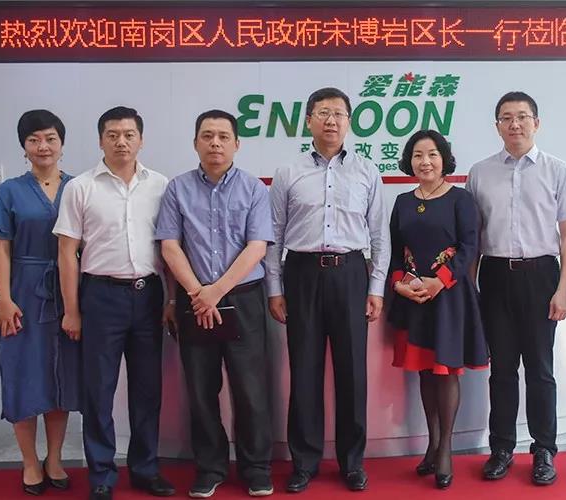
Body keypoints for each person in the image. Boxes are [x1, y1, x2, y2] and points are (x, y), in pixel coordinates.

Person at [265, 87, 390, 493]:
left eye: (338, 113)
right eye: (322, 113)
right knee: (304, 370)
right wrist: (274, 288)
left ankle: (352, 462)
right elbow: (273, 234)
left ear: (349, 121)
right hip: (301, 274)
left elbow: (379, 235)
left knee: (353, 372)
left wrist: (376, 288)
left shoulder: (367, 171)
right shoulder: (288, 172)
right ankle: (304, 461)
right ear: (309, 121)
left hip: (351, 273)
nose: (331, 120)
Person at [53, 106, 175, 500]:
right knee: (99, 390)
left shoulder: (160, 185)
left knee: (147, 389)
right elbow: (67, 252)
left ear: (141, 139)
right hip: (100, 296)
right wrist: (72, 310)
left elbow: (170, 247)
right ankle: (102, 475)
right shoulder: (81, 187)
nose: (121, 142)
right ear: (100, 140)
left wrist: (172, 298)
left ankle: (145, 469)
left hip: (148, 294)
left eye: (128, 134)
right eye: (112, 135)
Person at [156, 110, 275, 498]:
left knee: (250, 388)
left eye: (224, 136)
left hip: (242, 298)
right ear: (195, 143)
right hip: (194, 299)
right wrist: (198, 293)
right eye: (207, 136)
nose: (215, 143)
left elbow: (257, 247)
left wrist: (216, 291)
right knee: (201, 388)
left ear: (237, 144)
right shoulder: (177, 189)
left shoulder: (254, 189)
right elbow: (170, 245)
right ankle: (210, 467)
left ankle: (256, 467)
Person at [467, 91, 566, 486]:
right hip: (495, 275)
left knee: (540, 369)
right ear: (497, 125)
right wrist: (471, 288)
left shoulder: (557, 170)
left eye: (522, 116)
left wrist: (564, 289)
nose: (514, 124)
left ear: (537, 122)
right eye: (506, 117)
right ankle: (501, 448)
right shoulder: (480, 173)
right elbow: (474, 238)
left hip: (540, 275)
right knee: (501, 369)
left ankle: (544, 449)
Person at [0, 109, 80, 496]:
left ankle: (55, 458)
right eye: (34, 139)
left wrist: (77, 305)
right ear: (24, 146)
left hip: (68, 294)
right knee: (23, 375)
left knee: (61, 377)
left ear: (62, 144)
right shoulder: (10, 191)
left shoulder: (78, 187)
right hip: (22, 293)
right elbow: (0, 249)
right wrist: (3, 298)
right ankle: (30, 462)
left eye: (50, 138)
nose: (43, 146)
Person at [387, 129, 489, 489]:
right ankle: (432, 443)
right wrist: (399, 283)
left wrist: (439, 281)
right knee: (425, 372)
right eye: (417, 155)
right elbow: (395, 252)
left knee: (445, 372)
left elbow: (469, 247)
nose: (425, 161)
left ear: (444, 159)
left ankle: (446, 447)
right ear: (409, 161)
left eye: (432, 154)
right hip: (414, 298)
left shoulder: (460, 199)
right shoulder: (402, 202)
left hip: (449, 297)